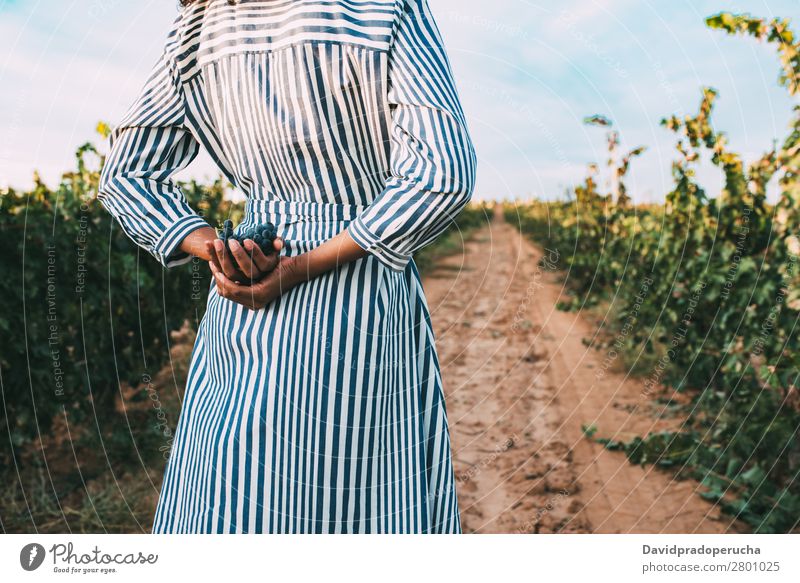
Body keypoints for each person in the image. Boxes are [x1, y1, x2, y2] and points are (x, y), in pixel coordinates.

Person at [98, 0, 476, 534]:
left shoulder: (199, 27)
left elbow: (126, 174)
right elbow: (443, 175)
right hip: (357, 299)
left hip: (244, 294)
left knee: (235, 492)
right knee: (359, 501)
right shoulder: (383, 9)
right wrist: (301, 267)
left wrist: (219, 250)